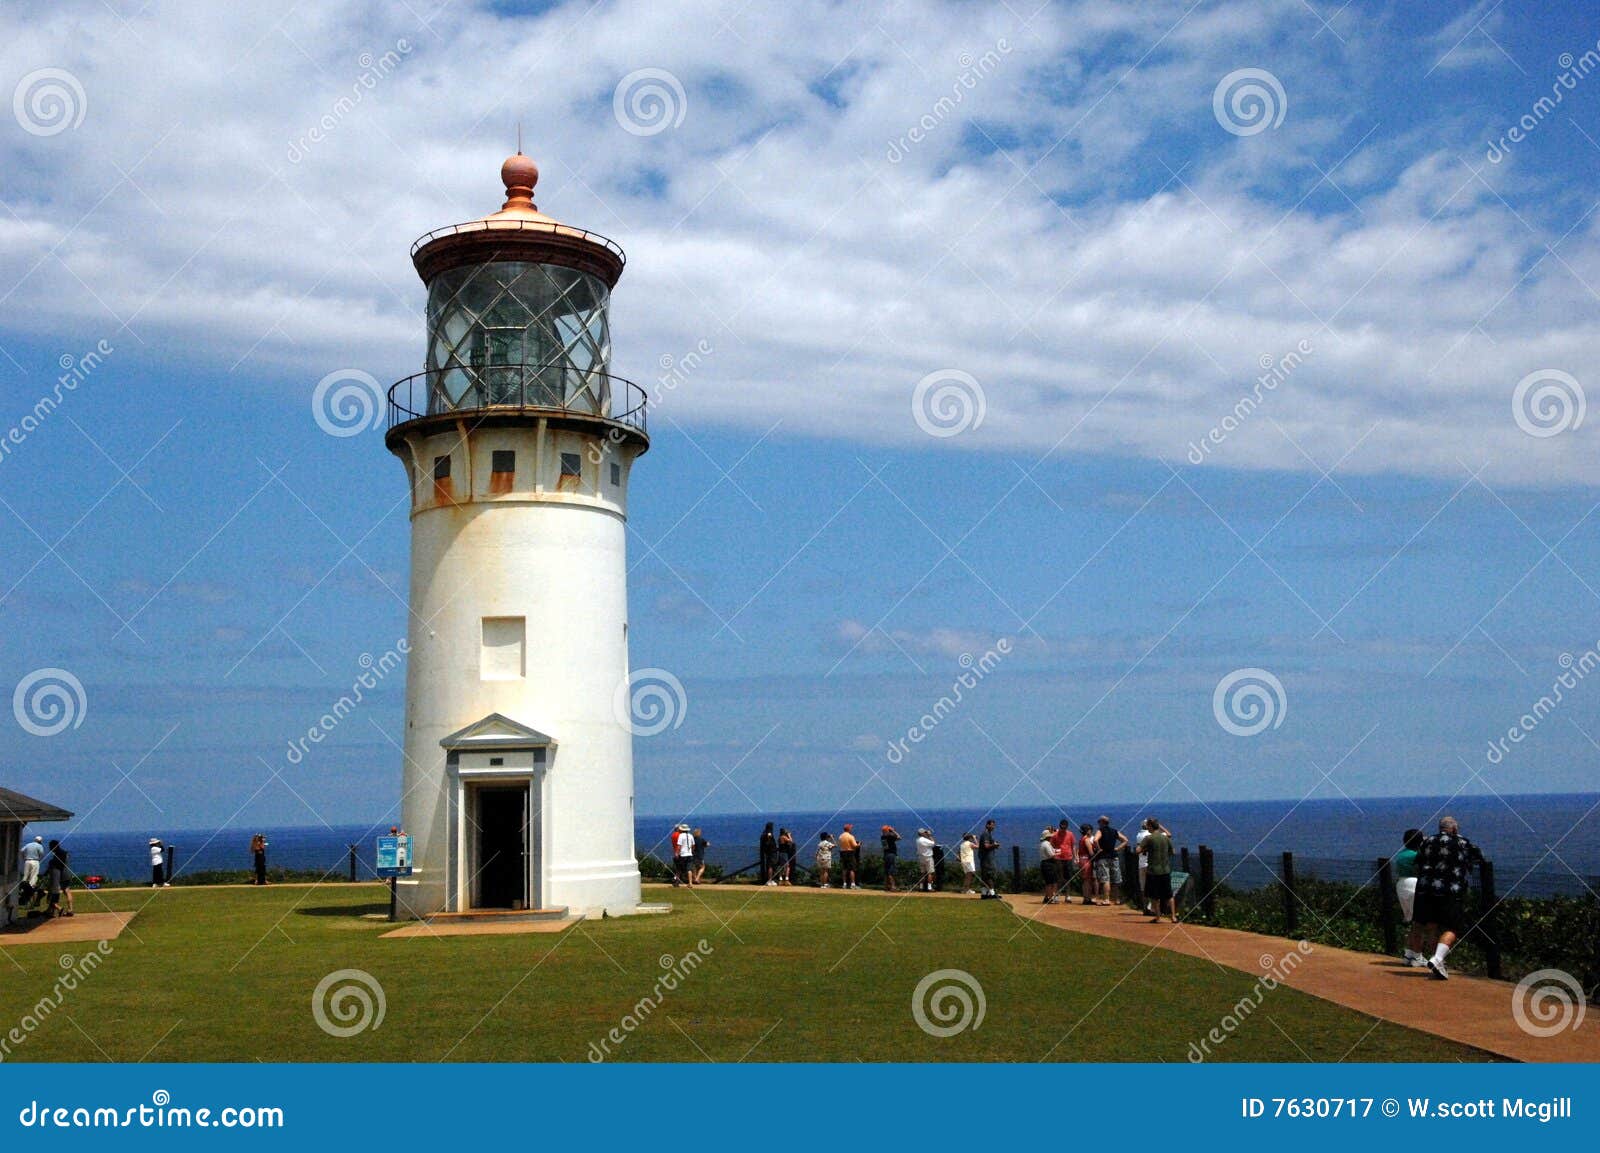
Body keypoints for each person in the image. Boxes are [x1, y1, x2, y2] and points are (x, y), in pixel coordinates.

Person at [1414, 815, 1479, 981]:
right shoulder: (1463, 842)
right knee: (1453, 927)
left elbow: (1418, 860)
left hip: (1425, 891)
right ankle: (1437, 958)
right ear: (1455, 829)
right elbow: (1478, 856)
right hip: (1450, 891)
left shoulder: (1427, 841)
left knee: (1431, 925)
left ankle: (1438, 962)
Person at [1395, 828, 1425, 966]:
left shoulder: (1401, 854)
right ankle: (1417, 956)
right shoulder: (1417, 855)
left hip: (1401, 884)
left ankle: (1408, 954)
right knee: (1419, 922)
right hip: (1414, 884)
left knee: (1412, 921)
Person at [1139, 820, 1176, 922]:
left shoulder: (1148, 838)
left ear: (1150, 826)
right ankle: (1173, 916)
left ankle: (1158, 916)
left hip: (1153, 871)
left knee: (1154, 895)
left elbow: (1138, 850)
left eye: (1148, 826)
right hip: (1165, 870)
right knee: (1169, 894)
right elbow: (1173, 852)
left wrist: (1145, 849)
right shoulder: (1165, 838)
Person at [1092, 816, 1127, 906]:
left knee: (1105, 879)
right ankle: (1117, 899)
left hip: (1103, 857)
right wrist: (1118, 848)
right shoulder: (1114, 831)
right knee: (1116, 879)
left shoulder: (1100, 831)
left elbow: (1095, 840)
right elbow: (1125, 840)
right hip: (1114, 856)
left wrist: (1098, 849)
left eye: (1099, 822)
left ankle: (1106, 899)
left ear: (1102, 822)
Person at [45, 840, 74, 918]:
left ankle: (54, 909)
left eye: (50, 847)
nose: (49, 848)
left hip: (61, 875)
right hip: (67, 873)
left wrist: (51, 863)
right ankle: (70, 909)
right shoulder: (64, 853)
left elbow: (59, 865)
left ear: (53, 846)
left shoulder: (58, 854)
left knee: (54, 891)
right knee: (67, 891)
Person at [1050, 820, 1076, 905]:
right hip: (1058, 858)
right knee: (1058, 877)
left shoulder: (1070, 834)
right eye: (1062, 827)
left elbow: (1073, 846)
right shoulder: (1055, 835)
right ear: (1060, 826)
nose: (1063, 829)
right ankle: (1057, 895)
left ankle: (1067, 896)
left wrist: (1075, 857)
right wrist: (1055, 854)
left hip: (1068, 858)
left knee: (1068, 878)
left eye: (1064, 828)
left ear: (1067, 827)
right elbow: (1052, 845)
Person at [977, 819, 1000, 897]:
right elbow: (986, 846)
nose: (993, 827)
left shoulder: (987, 834)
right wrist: (995, 845)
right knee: (989, 874)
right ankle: (992, 893)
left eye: (994, 825)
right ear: (987, 825)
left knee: (985, 875)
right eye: (992, 825)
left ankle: (984, 893)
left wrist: (994, 845)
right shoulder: (986, 834)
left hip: (985, 858)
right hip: (987, 858)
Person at [1039, 828, 1060, 904]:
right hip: (1048, 864)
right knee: (1051, 882)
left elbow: (1052, 851)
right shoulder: (1046, 844)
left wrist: (1057, 851)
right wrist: (1060, 853)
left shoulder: (1043, 844)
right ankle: (1049, 898)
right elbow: (1051, 855)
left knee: (1049, 881)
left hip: (1045, 863)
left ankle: (1048, 897)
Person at [19, 835, 44, 900]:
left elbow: (21, 851)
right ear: (40, 841)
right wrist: (39, 859)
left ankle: (22, 888)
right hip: (35, 861)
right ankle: (30, 890)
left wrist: (23, 857)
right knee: (33, 876)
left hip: (27, 861)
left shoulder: (28, 844)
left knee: (25, 875)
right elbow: (41, 854)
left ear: (35, 840)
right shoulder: (40, 846)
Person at [1077, 823, 1097, 904]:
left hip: (1082, 859)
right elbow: (1091, 852)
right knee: (1087, 880)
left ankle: (1086, 897)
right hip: (1086, 860)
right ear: (1087, 831)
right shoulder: (1086, 839)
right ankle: (1087, 898)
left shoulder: (1081, 839)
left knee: (1085, 880)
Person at [838, 824, 860, 889]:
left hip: (842, 852)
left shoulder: (840, 836)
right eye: (851, 828)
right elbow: (854, 846)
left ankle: (844, 883)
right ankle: (853, 884)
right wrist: (859, 844)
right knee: (852, 869)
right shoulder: (851, 836)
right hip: (850, 853)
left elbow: (840, 844)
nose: (851, 829)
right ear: (849, 829)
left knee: (844, 868)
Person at [880, 825, 901, 891]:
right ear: (888, 830)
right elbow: (899, 837)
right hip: (891, 854)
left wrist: (890, 831)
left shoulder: (882, 837)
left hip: (886, 854)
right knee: (891, 871)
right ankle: (893, 886)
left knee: (886, 871)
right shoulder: (890, 836)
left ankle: (886, 886)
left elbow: (892, 841)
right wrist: (893, 831)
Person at [759, 822, 778, 886]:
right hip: (771, 851)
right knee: (771, 866)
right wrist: (770, 842)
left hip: (768, 851)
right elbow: (769, 835)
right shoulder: (769, 832)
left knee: (770, 865)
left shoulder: (764, 833)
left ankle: (770, 880)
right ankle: (770, 880)